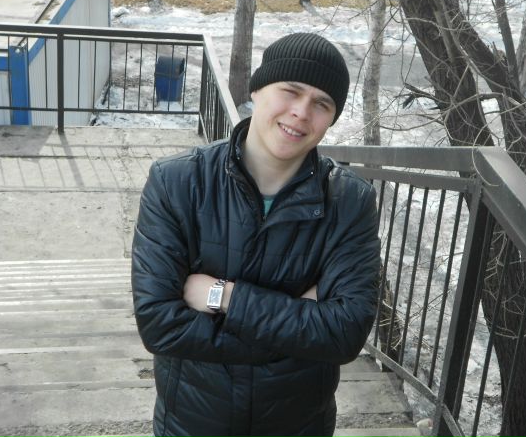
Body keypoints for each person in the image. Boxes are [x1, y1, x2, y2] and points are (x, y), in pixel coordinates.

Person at [131, 32, 381, 437]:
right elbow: (160, 323)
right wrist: (299, 330)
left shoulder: (349, 202)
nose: (301, 112)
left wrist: (222, 296)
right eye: (291, 91)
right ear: (257, 90)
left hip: (299, 424)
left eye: (322, 103)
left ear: (331, 118)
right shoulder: (177, 182)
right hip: (192, 421)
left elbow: (345, 333)